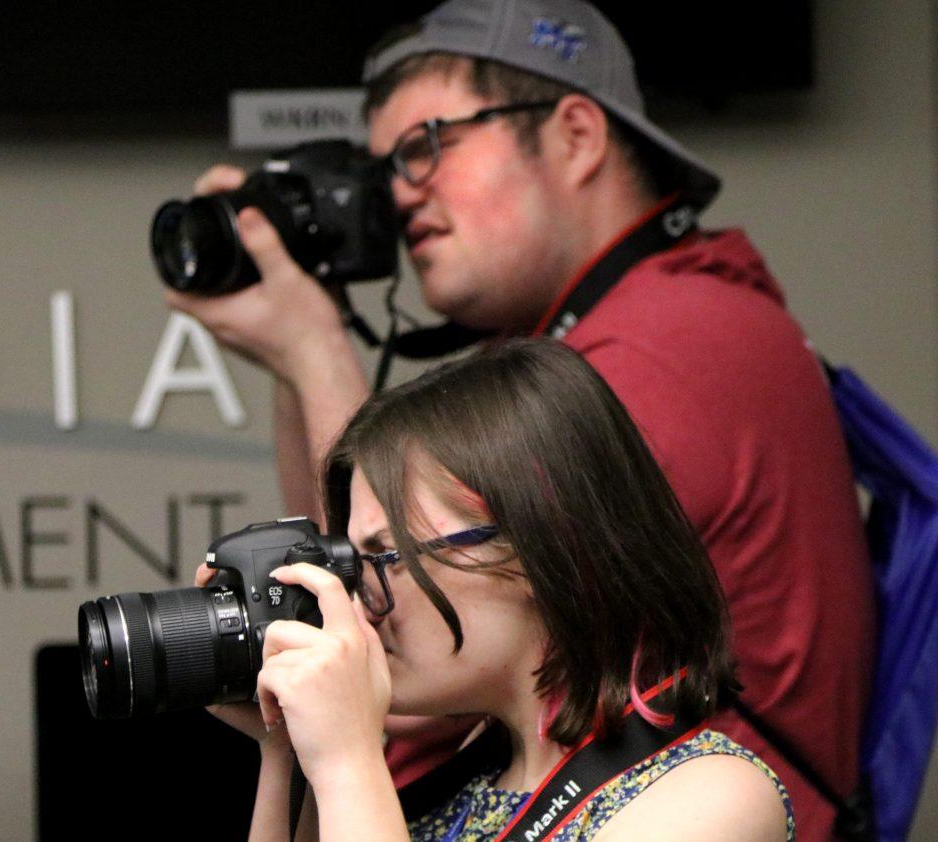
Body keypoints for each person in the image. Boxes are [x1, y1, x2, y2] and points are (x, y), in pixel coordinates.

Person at [168, 1, 874, 837]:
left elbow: (402, 716)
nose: (399, 193)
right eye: (387, 165)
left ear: (576, 135)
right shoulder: (659, 323)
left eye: (427, 146)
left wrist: (318, 350)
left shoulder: (670, 343)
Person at [204, 338, 794, 841]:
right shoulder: (464, 786)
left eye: (386, 555)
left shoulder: (715, 796)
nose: (357, 604)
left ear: (544, 551)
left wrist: (345, 761)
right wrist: (289, 752)